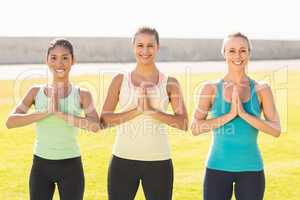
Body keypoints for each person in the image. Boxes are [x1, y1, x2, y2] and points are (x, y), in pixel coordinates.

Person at [100, 26, 189, 200]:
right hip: (122, 160)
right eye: (140, 45)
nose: (145, 51)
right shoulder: (119, 80)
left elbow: (184, 123)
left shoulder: (170, 82)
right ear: (133, 47)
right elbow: (103, 121)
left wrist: (151, 111)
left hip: (159, 162)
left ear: (158, 47)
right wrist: (137, 111)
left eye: (150, 45)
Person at [6, 38, 100, 200]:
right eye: (54, 58)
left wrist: (61, 114)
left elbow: (95, 126)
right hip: (41, 167)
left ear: (73, 61)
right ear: (47, 60)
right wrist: (46, 112)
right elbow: (10, 122)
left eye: (65, 57)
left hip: (71, 166)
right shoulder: (35, 92)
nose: (59, 63)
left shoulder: (82, 94)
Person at [190, 32, 281, 200]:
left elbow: (276, 130)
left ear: (249, 53)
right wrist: (230, 115)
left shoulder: (262, 89)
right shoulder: (209, 88)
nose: (237, 56)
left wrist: (244, 115)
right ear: (224, 53)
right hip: (216, 169)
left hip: (251, 170)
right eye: (231, 51)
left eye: (242, 50)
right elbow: (195, 128)